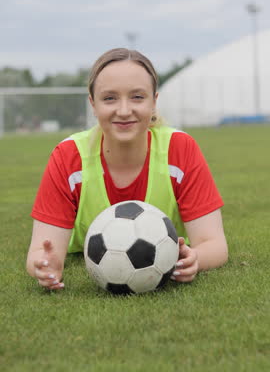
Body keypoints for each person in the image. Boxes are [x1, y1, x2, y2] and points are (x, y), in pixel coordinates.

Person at [26, 48, 228, 290]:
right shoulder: (68, 156)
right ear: (93, 103)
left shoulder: (180, 149)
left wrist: (195, 258)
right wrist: (46, 264)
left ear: (154, 101)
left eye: (137, 97)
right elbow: (40, 251)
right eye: (109, 98)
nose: (123, 111)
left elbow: (214, 244)